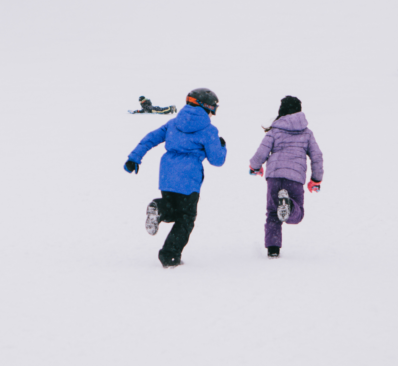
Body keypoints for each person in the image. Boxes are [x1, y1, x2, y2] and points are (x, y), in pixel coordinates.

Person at [124, 88, 227, 267]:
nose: (213, 115)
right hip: (189, 178)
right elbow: (217, 160)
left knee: (173, 209)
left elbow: (150, 138)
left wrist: (134, 158)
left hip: (167, 175)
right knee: (186, 218)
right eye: (213, 111)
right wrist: (221, 146)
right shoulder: (209, 130)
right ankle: (170, 255)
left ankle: (160, 207)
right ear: (206, 108)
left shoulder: (173, 123)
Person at [248, 96, 323, 258]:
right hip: (295, 177)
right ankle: (289, 206)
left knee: (273, 213)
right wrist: (316, 179)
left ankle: (273, 250)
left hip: (274, 176)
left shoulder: (275, 130)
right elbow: (316, 156)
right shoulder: (307, 133)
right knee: (297, 214)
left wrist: (255, 166)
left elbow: (261, 152)